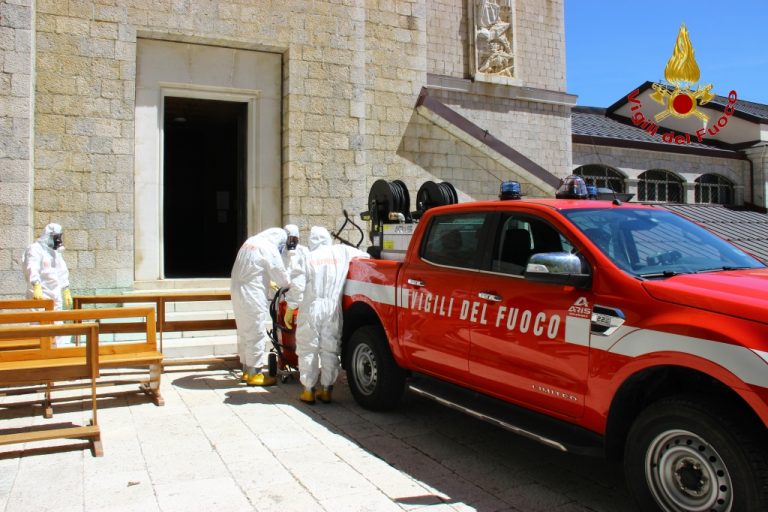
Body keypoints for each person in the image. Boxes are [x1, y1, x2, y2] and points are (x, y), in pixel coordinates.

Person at [289, 226, 369, 404]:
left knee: (308, 347)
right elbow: (366, 257)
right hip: (333, 308)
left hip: (311, 307)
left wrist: (291, 306)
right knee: (330, 347)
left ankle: (308, 390)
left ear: (311, 240)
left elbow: (297, 286)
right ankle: (326, 390)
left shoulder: (306, 257)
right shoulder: (342, 252)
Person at [230, 227, 291, 387]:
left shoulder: (250, 242)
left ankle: (246, 370)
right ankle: (255, 374)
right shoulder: (268, 247)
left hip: (237, 291)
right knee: (255, 332)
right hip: (252, 293)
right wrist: (290, 285)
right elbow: (281, 276)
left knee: (244, 332)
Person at [22, 223, 72, 346]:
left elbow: (62, 271)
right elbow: (32, 267)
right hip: (40, 293)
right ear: (48, 236)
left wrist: (65, 289)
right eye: (56, 237)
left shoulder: (55, 253)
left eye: (59, 237)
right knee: (39, 323)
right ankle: (40, 351)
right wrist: (36, 284)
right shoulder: (35, 249)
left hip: (55, 293)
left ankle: (57, 350)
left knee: (58, 322)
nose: (58, 240)